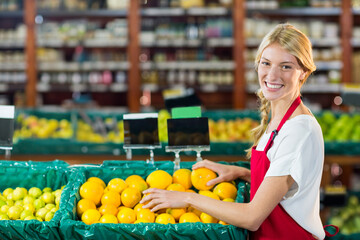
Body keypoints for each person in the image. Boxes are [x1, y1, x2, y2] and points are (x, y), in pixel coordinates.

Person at [141, 23, 331, 240]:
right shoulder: (280, 117)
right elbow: (285, 188)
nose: (272, 74)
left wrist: (187, 198)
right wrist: (241, 173)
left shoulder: (298, 129)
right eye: (266, 63)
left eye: (286, 66)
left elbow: (252, 217)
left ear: (303, 73)